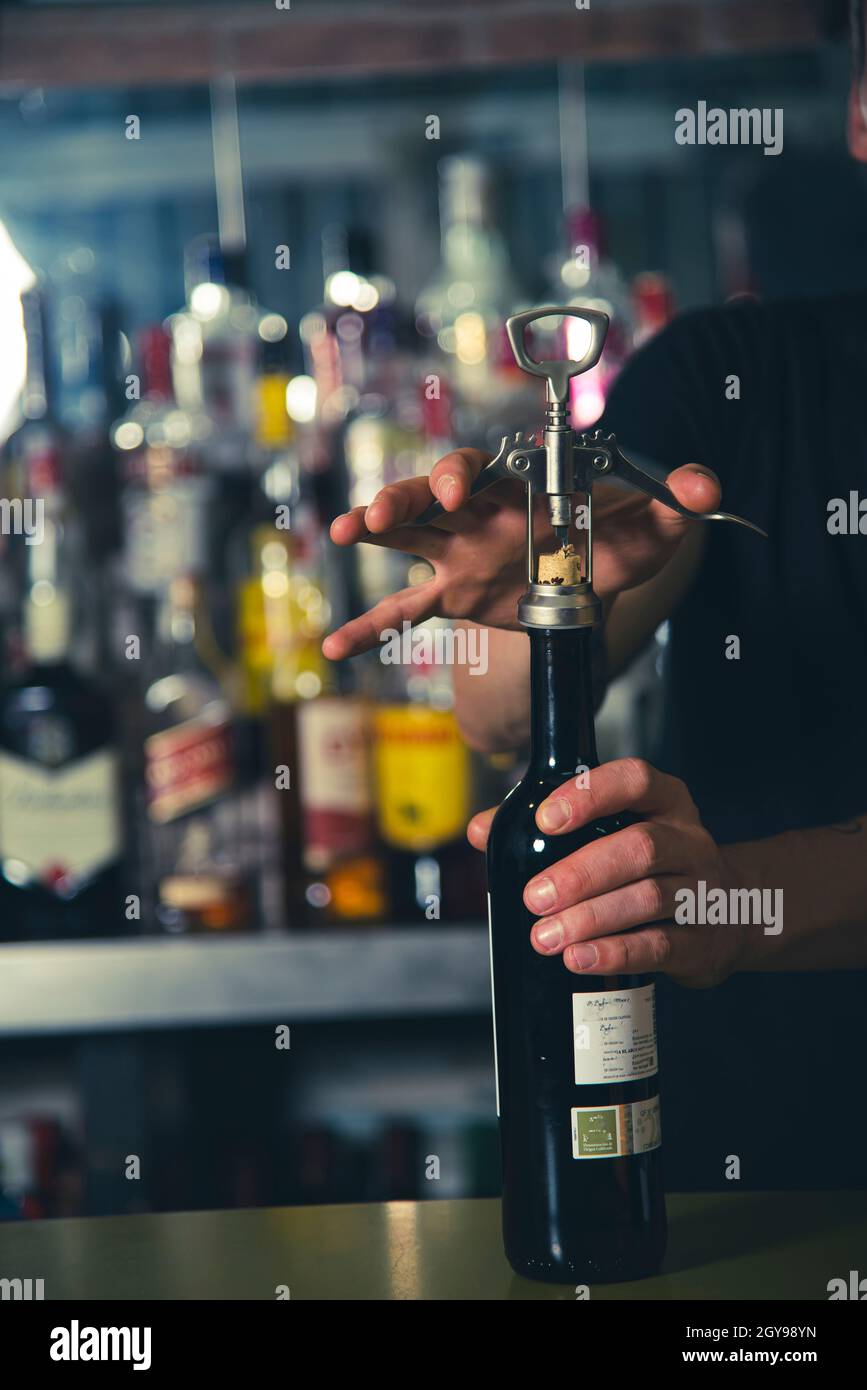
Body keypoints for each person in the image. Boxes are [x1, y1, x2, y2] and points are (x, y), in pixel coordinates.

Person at [324, 9, 867, 1191]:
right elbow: (503, 716)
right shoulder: (741, 376)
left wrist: (737, 901)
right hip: (758, 1169)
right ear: (864, 114)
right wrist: (538, 588)